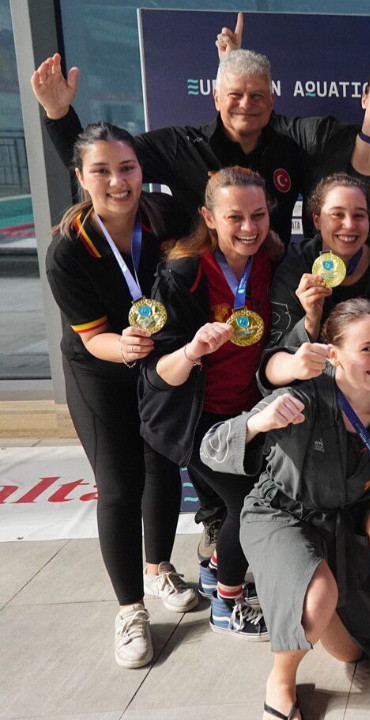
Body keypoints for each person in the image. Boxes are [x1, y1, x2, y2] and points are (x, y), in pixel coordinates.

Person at [200, 299, 370, 719]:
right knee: (317, 601)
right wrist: (257, 424)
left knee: (351, 652)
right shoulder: (298, 398)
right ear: (334, 353)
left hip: (345, 519)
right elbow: (210, 448)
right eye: (366, 349)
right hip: (281, 512)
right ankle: (281, 681)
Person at [44, 122, 198, 669]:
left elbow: (200, 235)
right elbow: (92, 338)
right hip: (101, 368)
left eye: (127, 167)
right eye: (102, 170)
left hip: (154, 364)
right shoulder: (67, 250)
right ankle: (130, 609)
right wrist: (127, 344)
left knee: (161, 465)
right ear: (81, 177)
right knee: (118, 485)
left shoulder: (161, 215)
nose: (118, 181)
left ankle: (158, 570)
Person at [140, 167, 280, 641]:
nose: (248, 227)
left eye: (258, 215)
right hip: (195, 421)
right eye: (234, 216)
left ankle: (217, 565)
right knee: (249, 504)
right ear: (209, 217)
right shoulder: (186, 274)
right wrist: (191, 350)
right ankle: (229, 603)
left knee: (258, 496)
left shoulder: (268, 261)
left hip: (246, 415)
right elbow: (156, 374)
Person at [33, 49, 306, 242]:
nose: (246, 104)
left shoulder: (292, 152)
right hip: (196, 292)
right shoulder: (180, 145)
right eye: (235, 94)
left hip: (271, 289)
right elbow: (96, 160)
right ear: (216, 98)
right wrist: (59, 114)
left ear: (271, 101)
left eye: (256, 95)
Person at [214, 16, 370, 258]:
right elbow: (259, 116)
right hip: (314, 271)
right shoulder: (323, 134)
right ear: (364, 99)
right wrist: (233, 64)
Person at [263, 173, 370, 386]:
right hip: (317, 393)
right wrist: (311, 319)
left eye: (359, 215)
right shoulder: (294, 270)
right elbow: (277, 363)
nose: (350, 225)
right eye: (337, 215)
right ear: (317, 220)